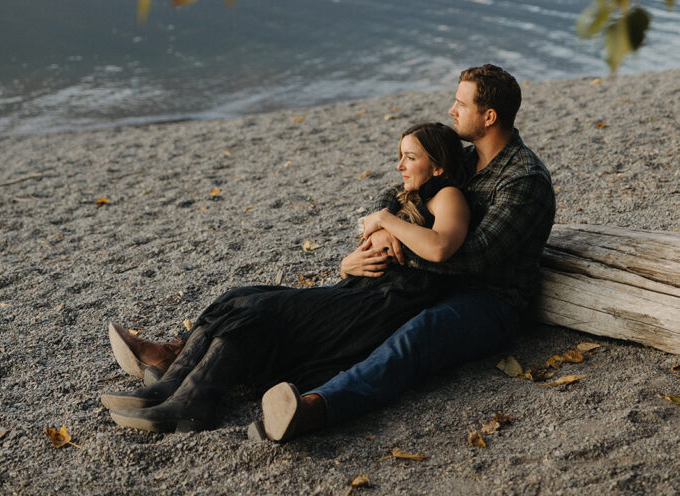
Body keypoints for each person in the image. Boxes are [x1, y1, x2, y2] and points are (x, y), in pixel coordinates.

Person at [101, 121, 471, 433]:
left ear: (438, 166)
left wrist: (383, 221)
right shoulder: (412, 195)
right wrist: (353, 257)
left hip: (384, 304)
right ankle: (173, 386)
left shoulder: (448, 195)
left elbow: (440, 247)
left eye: (410, 158)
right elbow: (374, 241)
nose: (400, 166)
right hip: (362, 290)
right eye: (400, 156)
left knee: (262, 308)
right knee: (242, 297)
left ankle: (189, 402)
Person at [255, 63, 556, 441]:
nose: (451, 109)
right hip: (432, 281)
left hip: (490, 301)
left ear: (490, 116)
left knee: (416, 336)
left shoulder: (523, 178)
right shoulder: (464, 159)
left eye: (461, 103)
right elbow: (399, 192)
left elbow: (477, 257)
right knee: (348, 310)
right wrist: (376, 234)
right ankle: (238, 358)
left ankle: (315, 408)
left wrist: (395, 247)